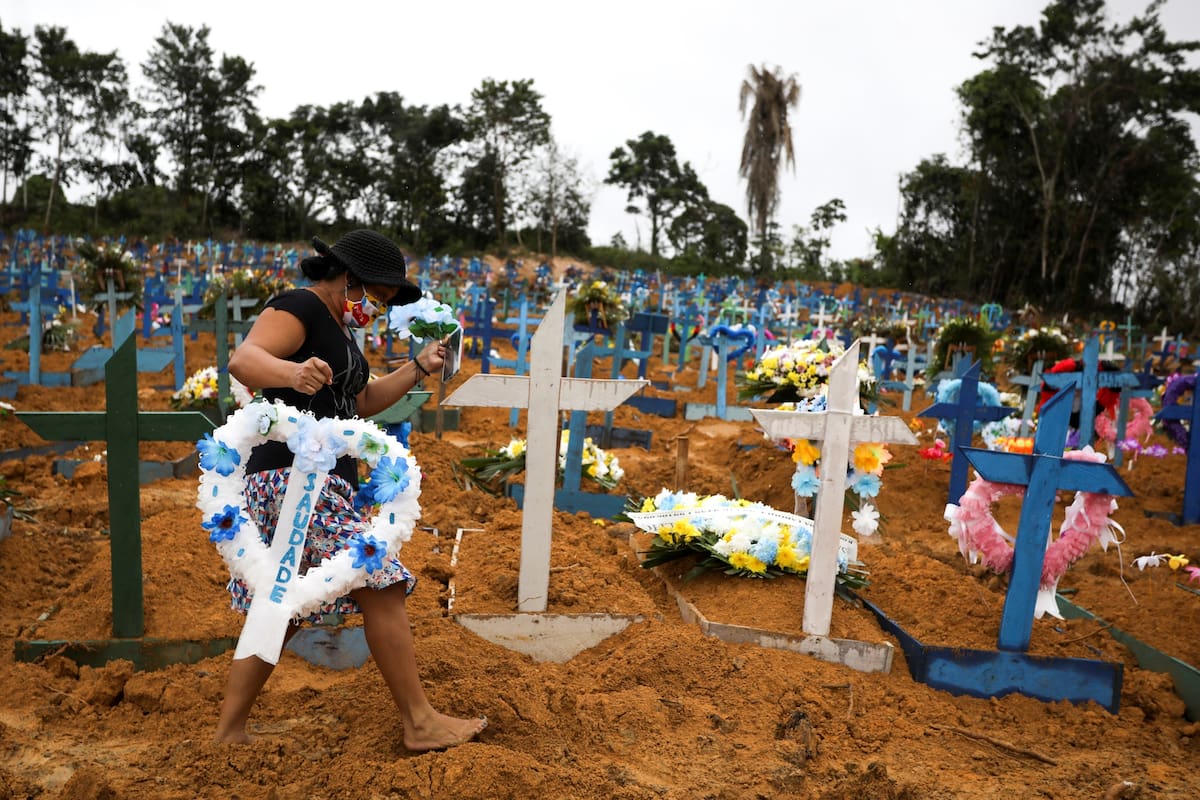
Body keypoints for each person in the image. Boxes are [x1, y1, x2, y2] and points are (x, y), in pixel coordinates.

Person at [213, 229, 487, 750]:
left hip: (320, 480)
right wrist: (292, 373)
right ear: (349, 279)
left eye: (384, 304)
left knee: (280, 605)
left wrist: (416, 367)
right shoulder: (301, 307)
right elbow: (245, 361)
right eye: (376, 297)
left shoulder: (341, 332)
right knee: (378, 579)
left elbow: (358, 403)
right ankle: (420, 722)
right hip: (292, 477)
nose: (377, 310)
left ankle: (229, 732)